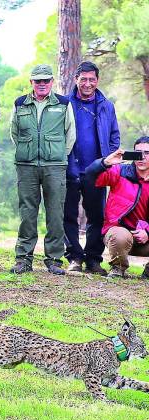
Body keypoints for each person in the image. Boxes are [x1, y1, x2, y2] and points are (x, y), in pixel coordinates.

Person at [9, 64, 76, 275]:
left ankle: (54, 259)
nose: (42, 84)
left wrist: (58, 155)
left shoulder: (64, 104)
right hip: (26, 166)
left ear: (52, 82)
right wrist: (27, 151)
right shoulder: (20, 103)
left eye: (46, 80)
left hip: (55, 166)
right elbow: (14, 133)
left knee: (55, 212)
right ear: (31, 82)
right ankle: (23, 258)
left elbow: (70, 134)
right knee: (27, 212)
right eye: (38, 81)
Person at [64, 61, 120, 276]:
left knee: (96, 216)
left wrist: (108, 159)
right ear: (76, 79)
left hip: (97, 170)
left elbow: (114, 136)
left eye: (92, 79)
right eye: (83, 79)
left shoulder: (106, 105)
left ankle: (94, 260)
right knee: (68, 215)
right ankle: (75, 257)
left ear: (97, 80)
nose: (88, 83)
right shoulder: (65, 103)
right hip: (70, 168)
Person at [84, 138, 149, 278]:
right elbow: (89, 176)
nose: (142, 157)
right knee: (120, 236)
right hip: (119, 234)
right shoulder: (120, 172)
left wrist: (147, 232)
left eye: (147, 153)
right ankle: (118, 268)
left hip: (145, 238)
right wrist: (105, 163)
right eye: (138, 153)